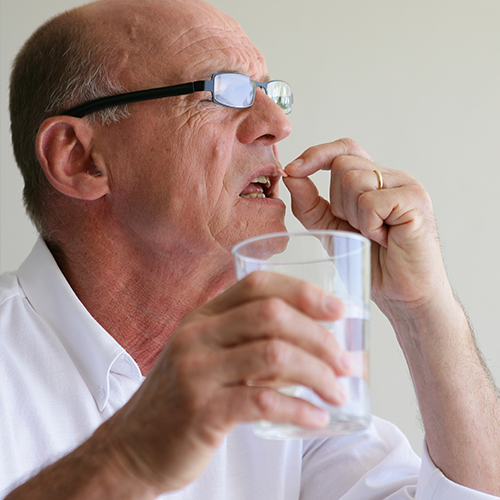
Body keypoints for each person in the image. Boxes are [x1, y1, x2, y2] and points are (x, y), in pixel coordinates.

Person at [1, 0, 499, 498]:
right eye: (223, 92)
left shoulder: (276, 371)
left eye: (269, 93)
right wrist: (130, 457)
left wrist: (422, 310)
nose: (277, 125)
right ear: (79, 159)